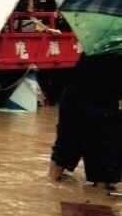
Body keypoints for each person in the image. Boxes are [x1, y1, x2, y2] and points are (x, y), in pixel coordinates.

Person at [48, 53, 122, 189]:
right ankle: (99, 201)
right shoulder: (116, 54)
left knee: (63, 153)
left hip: (73, 103)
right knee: (105, 165)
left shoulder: (96, 46)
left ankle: (52, 189)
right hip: (101, 109)